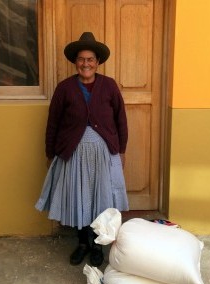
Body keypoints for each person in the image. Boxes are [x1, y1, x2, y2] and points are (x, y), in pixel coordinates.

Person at [35, 32, 129, 267]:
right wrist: (50, 152)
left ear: (97, 63)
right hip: (73, 154)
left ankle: (97, 245)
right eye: (81, 59)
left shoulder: (109, 86)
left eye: (90, 59)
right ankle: (82, 244)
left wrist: (121, 150)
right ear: (75, 62)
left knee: (99, 199)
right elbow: (53, 122)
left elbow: (121, 119)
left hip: (103, 154)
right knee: (79, 198)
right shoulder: (65, 88)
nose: (85, 64)